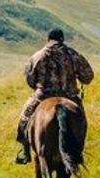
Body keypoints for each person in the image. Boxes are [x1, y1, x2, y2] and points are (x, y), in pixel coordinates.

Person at [15, 28, 93, 164]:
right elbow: (88, 76)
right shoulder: (74, 55)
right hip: (70, 96)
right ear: (62, 39)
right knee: (82, 122)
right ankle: (78, 152)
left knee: (24, 119)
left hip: (43, 96)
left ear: (48, 39)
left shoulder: (37, 56)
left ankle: (25, 151)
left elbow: (30, 79)